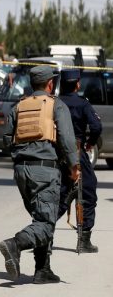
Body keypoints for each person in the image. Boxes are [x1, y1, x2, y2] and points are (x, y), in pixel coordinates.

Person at [0, 65, 79, 284]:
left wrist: (23, 154)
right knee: (45, 220)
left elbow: (6, 139)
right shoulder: (56, 105)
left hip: (21, 171)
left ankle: (42, 270)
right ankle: (15, 244)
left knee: (40, 217)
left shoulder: (19, 106)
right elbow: (66, 139)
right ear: (50, 84)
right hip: (45, 170)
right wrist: (74, 167)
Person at [57, 68, 101, 253]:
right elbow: (96, 126)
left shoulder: (55, 103)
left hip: (58, 154)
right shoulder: (83, 104)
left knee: (61, 195)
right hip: (77, 152)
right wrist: (90, 143)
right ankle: (84, 240)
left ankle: (43, 232)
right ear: (77, 84)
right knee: (88, 192)